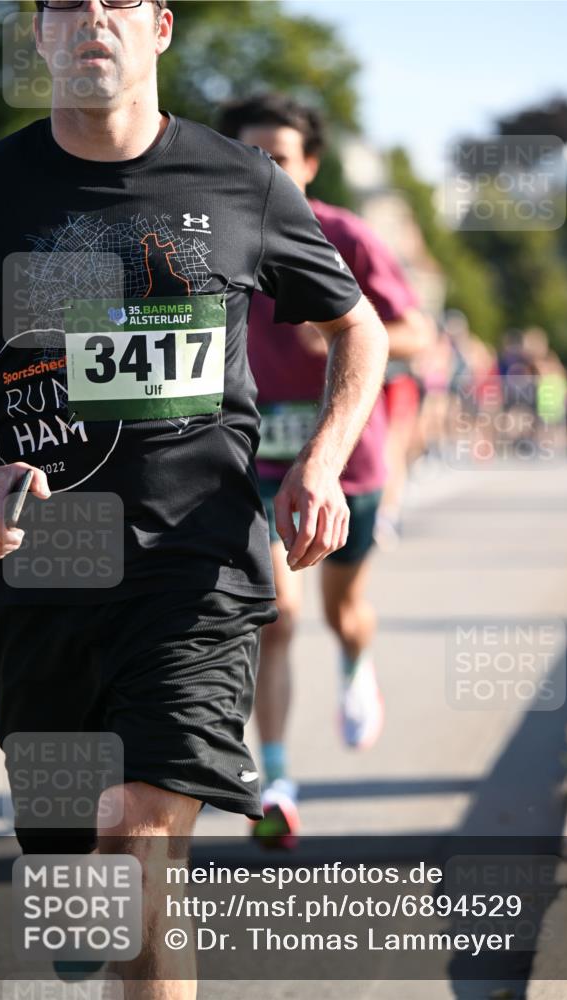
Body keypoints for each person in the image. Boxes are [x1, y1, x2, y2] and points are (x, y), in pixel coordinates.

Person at [0, 3, 389, 996]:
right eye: (65, 4)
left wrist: (320, 462)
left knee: (141, 841)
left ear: (159, 27)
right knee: (83, 855)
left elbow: (359, 328)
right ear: (40, 36)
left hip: (194, 572)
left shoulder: (241, 181)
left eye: (116, 1)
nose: (92, 19)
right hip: (42, 570)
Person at [217, 94, 425, 846]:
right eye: (251, 155)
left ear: (309, 165)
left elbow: (416, 334)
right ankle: (275, 780)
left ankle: (355, 661)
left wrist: (338, 329)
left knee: (342, 611)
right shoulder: (207, 232)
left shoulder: (345, 236)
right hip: (255, 458)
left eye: (279, 156)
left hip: (344, 462)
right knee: (275, 615)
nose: (265, 169)